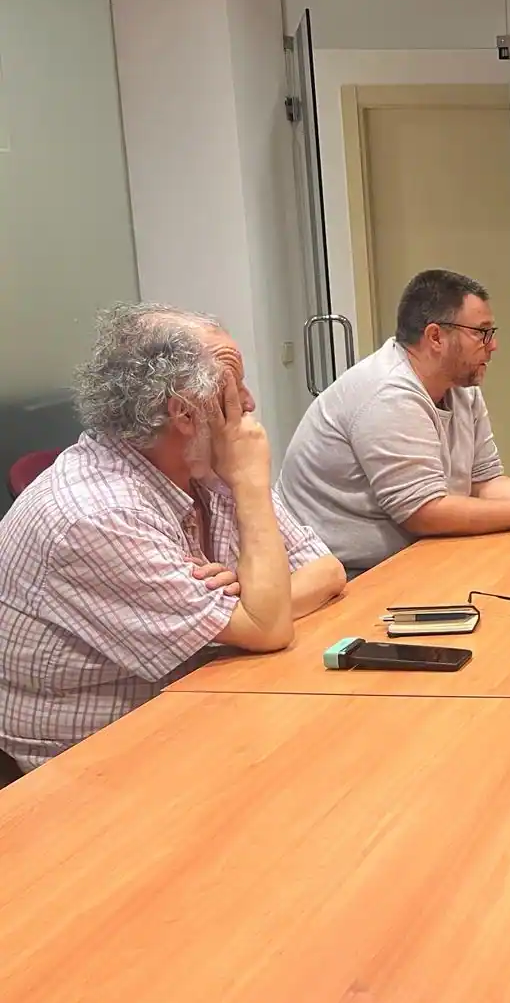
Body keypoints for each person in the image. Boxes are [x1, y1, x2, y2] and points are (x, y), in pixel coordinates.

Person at [0, 304, 347, 770]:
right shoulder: (98, 513)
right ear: (183, 412)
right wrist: (254, 608)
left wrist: (253, 600)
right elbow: (267, 628)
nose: (247, 403)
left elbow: (325, 569)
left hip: (194, 703)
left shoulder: (205, 466)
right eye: (233, 387)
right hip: (90, 762)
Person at [278, 269, 510, 571]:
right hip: (346, 574)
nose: (494, 345)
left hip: (413, 555)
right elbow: (424, 513)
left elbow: (483, 482)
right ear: (435, 337)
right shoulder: (387, 392)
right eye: (482, 333)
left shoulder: (460, 386)